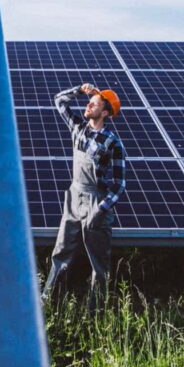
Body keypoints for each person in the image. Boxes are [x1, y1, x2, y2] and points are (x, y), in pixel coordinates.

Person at [41, 82, 126, 311]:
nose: (88, 105)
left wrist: (101, 208)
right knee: (61, 252)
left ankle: (96, 313)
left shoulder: (113, 143)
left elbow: (119, 185)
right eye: (90, 102)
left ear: (105, 112)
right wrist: (80, 90)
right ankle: (48, 305)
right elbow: (59, 100)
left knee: (98, 263)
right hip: (74, 196)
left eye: (94, 104)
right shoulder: (78, 128)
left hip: (96, 201)